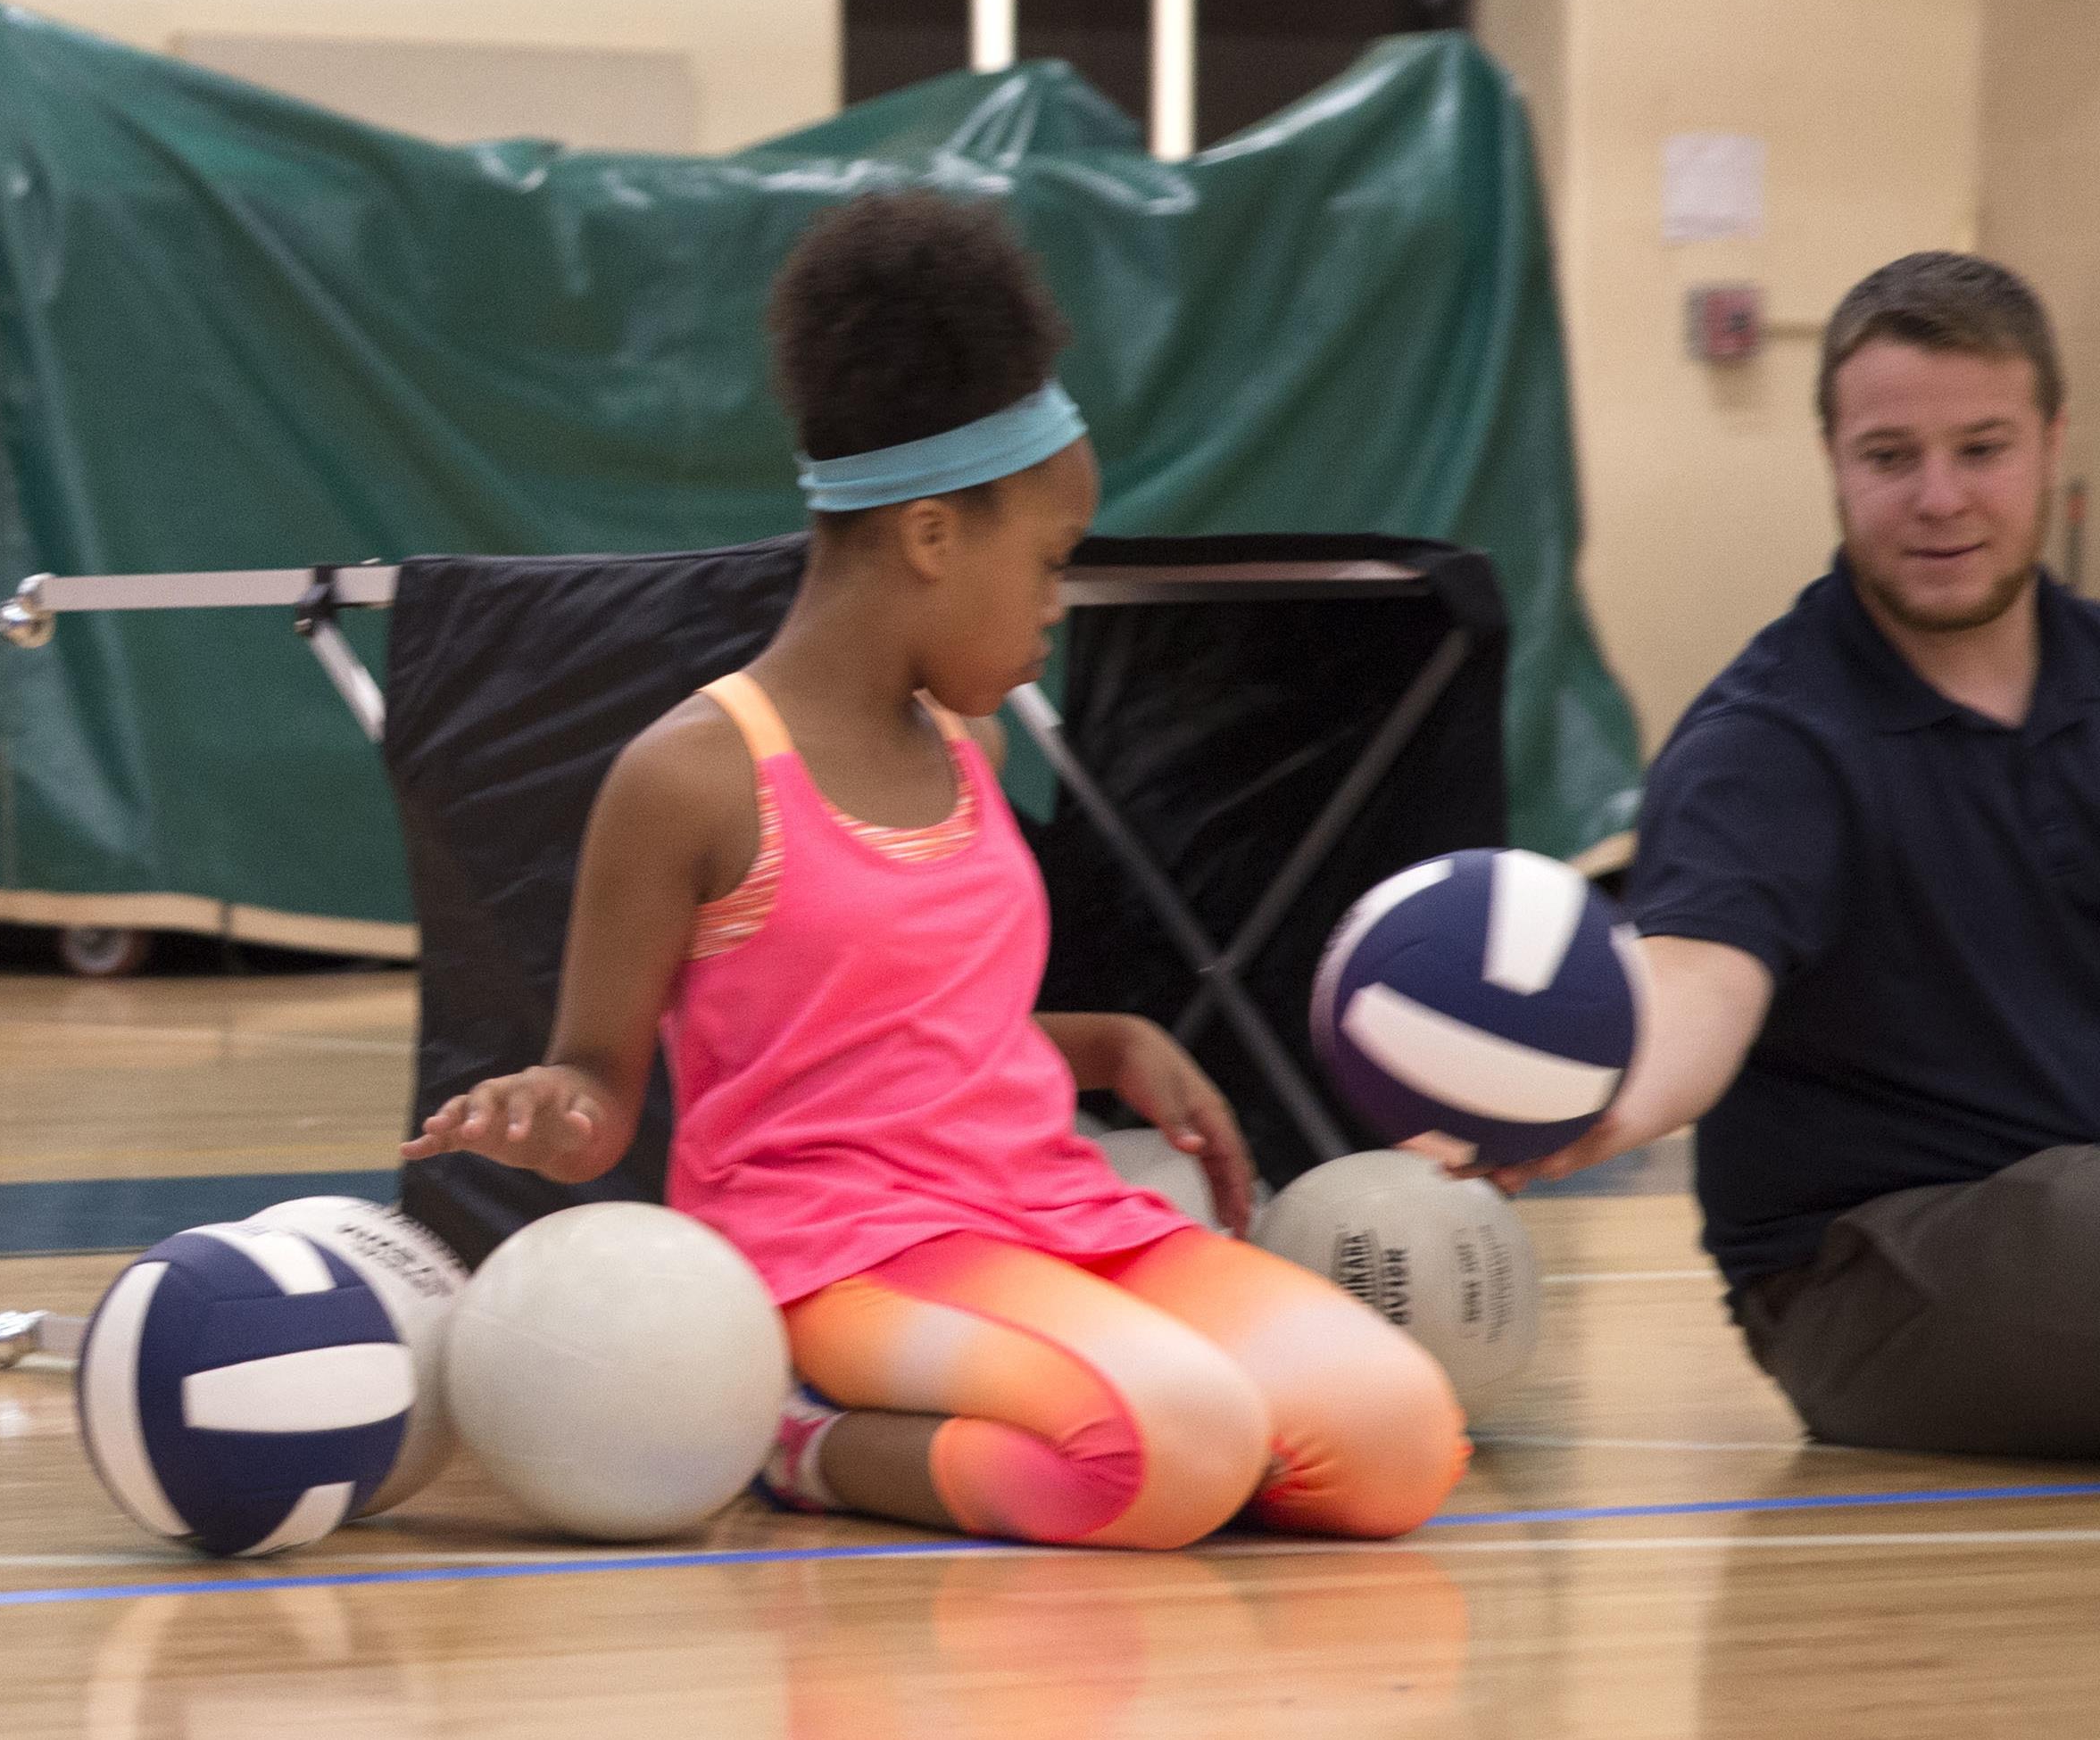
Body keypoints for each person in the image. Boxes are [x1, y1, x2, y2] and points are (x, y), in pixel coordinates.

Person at [410, 191, 1465, 1552]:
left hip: (1045, 1206)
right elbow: (604, 1093)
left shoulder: (960, 747)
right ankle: (807, 1443)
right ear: (929, 537)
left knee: (1398, 1442)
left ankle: (1112, 1431)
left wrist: (1106, 1040)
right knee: (1175, 1446)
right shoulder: (691, 774)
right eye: (1047, 562)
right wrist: (545, 1105)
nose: (1053, 607)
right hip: (839, 1250)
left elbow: (912, 1032)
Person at [1485, 252, 2100, 1458]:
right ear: (1833, 461)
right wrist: (1609, 1091)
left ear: (2053, 441)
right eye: (1889, 456)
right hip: (1878, 1268)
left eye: (1982, 448)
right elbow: (1695, 979)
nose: (1938, 497)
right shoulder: (1773, 738)